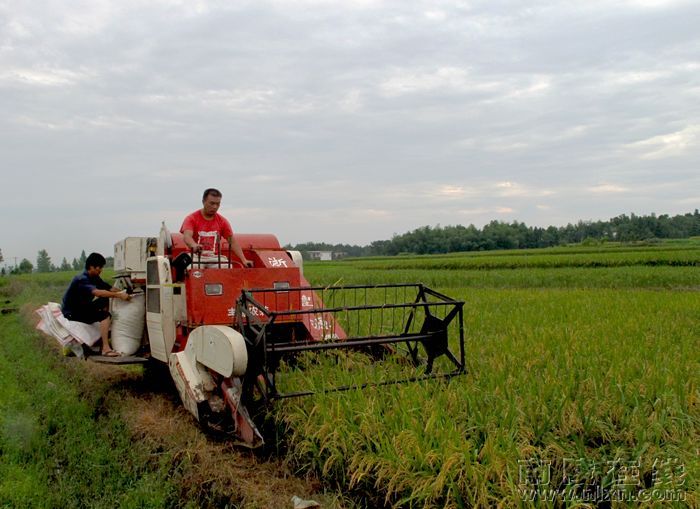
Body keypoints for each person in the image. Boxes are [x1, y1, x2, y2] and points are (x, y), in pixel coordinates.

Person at [62, 252, 131, 357]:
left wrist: (125, 292)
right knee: (105, 316)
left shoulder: (94, 277)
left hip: (82, 307)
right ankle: (105, 349)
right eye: (99, 268)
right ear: (91, 267)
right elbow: (97, 292)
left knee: (105, 299)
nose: (101, 270)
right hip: (73, 313)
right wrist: (119, 296)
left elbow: (109, 288)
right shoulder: (82, 279)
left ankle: (104, 329)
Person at [180, 188, 254, 267]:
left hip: (214, 258)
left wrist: (244, 260)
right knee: (192, 266)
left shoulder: (222, 221)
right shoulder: (191, 218)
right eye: (212, 203)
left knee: (226, 266)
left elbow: (232, 242)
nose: (215, 207)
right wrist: (194, 245)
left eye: (217, 204)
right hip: (195, 257)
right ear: (203, 202)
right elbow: (187, 236)